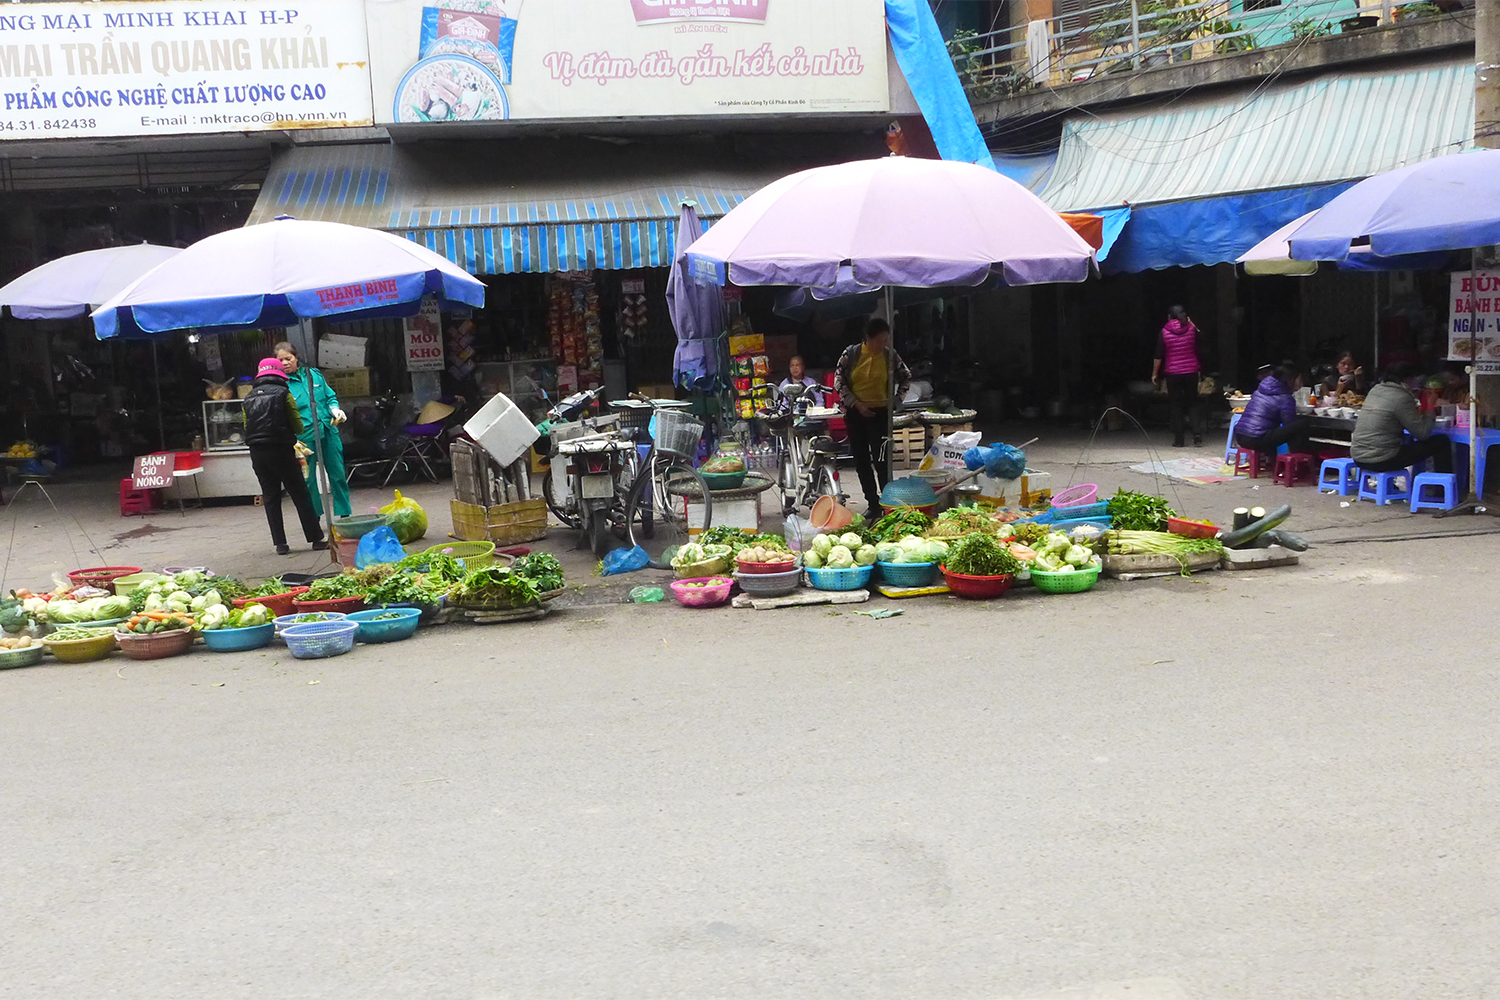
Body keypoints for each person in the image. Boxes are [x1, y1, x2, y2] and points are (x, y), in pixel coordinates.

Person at [242, 358, 327, 555]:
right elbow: (297, 425)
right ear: (279, 374)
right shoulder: (284, 394)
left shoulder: (248, 398)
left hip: (258, 453)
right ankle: (315, 539)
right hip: (281, 449)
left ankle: (280, 545)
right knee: (299, 493)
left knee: (271, 496)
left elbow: (247, 427)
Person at [834, 318, 911, 517]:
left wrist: (896, 400)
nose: (883, 344)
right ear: (867, 338)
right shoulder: (851, 354)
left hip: (881, 416)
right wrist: (856, 404)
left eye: (886, 339)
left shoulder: (890, 356)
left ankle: (888, 504)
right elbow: (838, 381)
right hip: (855, 414)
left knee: (882, 460)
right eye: (879, 340)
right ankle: (873, 504)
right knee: (861, 461)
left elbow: (906, 376)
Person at [274, 341, 351, 519]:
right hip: (303, 436)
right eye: (281, 360)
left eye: (288, 358)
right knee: (308, 479)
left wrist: (335, 409)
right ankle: (314, 516)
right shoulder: (281, 385)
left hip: (328, 429)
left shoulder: (313, 375)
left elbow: (330, 396)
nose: (285, 363)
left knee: (337, 473)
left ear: (296, 358)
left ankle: (344, 513)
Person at [1351, 367, 1451, 475]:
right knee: (1442, 441)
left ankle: (1421, 483)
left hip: (1358, 457)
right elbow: (1423, 433)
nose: (1417, 383)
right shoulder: (1401, 396)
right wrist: (1431, 405)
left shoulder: (1375, 390)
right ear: (1407, 380)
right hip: (1380, 459)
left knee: (1409, 443)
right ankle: (1443, 489)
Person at [1151, 305, 1203, 448]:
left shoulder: (1164, 332)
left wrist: (1155, 374)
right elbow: (1201, 340)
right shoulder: (1192, 329)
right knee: (1193, 403)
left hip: (1173, 374)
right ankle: (1197, 435)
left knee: (1175, 406)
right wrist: (1192, 323)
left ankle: (1179, 440)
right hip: (1191, 371)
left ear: (1169, 317)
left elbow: (1158, 355)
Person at [1235, 364, 1312, 455]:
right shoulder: (1286, 398)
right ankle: (1299, 458)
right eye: (1299, 380)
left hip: (1240, 436)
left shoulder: (1260, 389)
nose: (1301, 384)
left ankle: (1275, 457)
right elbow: (1289, 423)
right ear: (1290, 379)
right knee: (1301, 425)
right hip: (1256, 439)